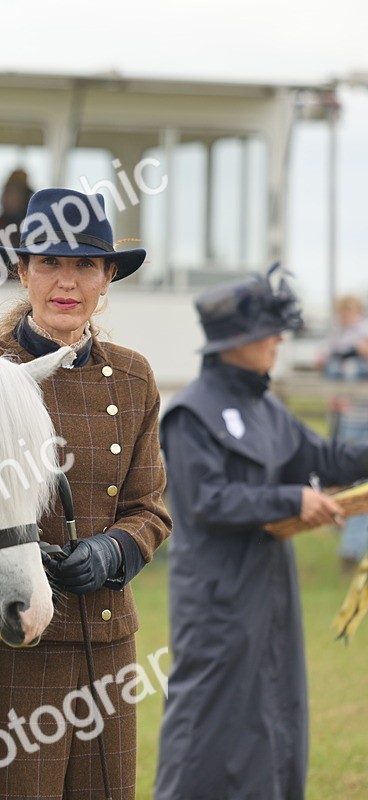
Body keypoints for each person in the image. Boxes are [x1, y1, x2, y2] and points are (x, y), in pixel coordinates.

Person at [0, 187, 172, 799]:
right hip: (11, 638)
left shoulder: (133, 376)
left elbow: (149, 508)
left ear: (107, 279)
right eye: (49, 262)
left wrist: (111, 552)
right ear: (23, 272)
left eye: (85, 265)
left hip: (106, 641)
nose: (66, 282)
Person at [154, 269, 368, 800]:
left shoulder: (267, 408)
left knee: (276, 711)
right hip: (217, 598)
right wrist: (292, 500)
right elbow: (207, 501)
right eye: (270, 331)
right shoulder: (190, 414)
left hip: (272, 592)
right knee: (208, 721)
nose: (279, 340)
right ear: (235, 341)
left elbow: (327, 458)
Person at [318, 295, 368, 568]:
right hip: (351, 419)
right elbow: (327, 366)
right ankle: (351, 545)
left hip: (360, 418)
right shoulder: (340, 339)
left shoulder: (360, 334)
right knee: (353, 482)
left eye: (350, 312)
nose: (346, 317)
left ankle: (352, 547)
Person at [0, 168, 34, 281]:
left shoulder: (33, 226)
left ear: (26, 197)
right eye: (9, 192)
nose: (11, 198)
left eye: (17, 193)